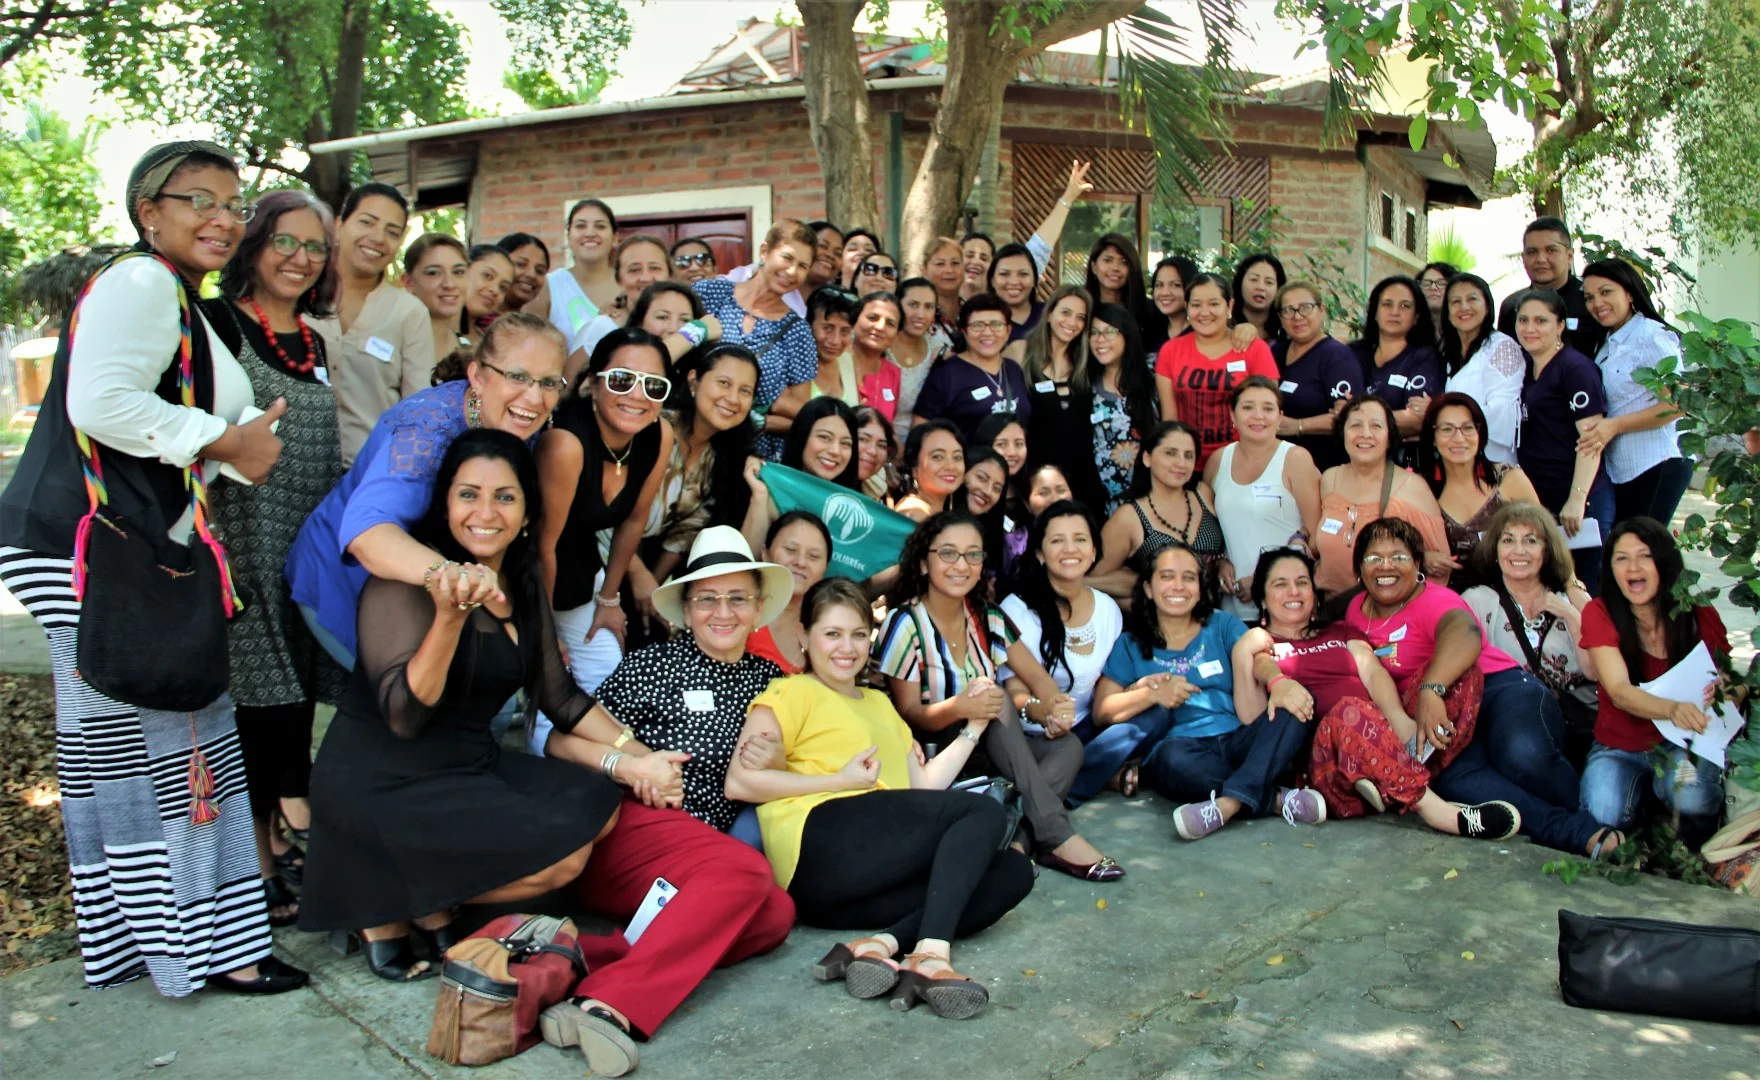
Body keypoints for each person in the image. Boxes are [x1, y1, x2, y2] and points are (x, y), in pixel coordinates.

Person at [0, 140, 305, 996]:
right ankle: (218, 952)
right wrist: (227, 440)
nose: (222, 218)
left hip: (96, 546)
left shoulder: (173, 296)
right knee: (183, 741)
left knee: (113, 757)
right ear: (149, 211)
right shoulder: (141, 281)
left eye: (233, 204)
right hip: (98, 550)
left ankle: (136, 946)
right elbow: (100, 403)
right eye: (198, 199)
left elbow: (151, 421)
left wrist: (234, 446)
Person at [299, 430, 624, 982]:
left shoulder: (522, 581)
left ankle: (420, 897)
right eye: (468, 494)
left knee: (598, 801)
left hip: (468, 766)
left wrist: (637, 753)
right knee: (560, 859)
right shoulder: (405, 581)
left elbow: (560, 696)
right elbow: (404, 716)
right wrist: (449, 618)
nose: (486, 513)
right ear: (445, 504)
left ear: (527, 513)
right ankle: (384, 901)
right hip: (383, 780)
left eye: (505, 497)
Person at [537, 524, 798, 1072]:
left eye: (737, 598)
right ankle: (610, 1004)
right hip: (635, 830)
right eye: (707, 598)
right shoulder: (652, 666)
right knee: (749, 874)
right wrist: (632, 764)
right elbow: (560, 741)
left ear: (757, 608)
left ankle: (571, 961)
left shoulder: (773, 680)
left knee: (776, 916)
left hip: (707, 859)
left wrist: (780, 763)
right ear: (686, 607)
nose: (722, 612)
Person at [726, 577, 1035, 1019]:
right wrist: (839, 781)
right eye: (832, 634)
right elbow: (739, 783)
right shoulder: (788, 692)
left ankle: (879, 944)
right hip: (818, 847)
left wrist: (974, 727)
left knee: (1012, 872)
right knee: (981, 810)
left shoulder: (879, 703)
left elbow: (923, 788)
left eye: (857, 634)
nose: (846, 647)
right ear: (803, 636)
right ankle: (931, 954)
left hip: (858, 883)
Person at [205, 189, 345, 924]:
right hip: (243, 542)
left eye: (315, 246)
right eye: (285, 241)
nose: (300, 257)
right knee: (263, 706)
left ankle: (277, 843)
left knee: (293, 703)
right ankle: (259, 862)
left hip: (304, 548)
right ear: (254, 243)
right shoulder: (217, 324)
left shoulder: (315, 341)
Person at [286, 313, 568, 669]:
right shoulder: (425, 431)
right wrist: (460, 580)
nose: (534, 397)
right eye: (517, 376)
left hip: (428, 592)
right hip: (342, 581)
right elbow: (366, 534)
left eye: (548, 382)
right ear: (478, 377)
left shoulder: (523, 426)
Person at [1340, 519, 1617, 856]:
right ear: (1359, 569)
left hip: (1499, 690)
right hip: (1447, 719)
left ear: (1418, 564)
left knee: (1519, 754)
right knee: (1458, 783)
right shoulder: (1356, 611)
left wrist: (1432, 689)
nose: (1386, 566)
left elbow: (1465, 634)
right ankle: (1577, 831)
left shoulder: (1435, 599)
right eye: (1374, 558)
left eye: (1399, 557)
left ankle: (1589, 815)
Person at [879, 510, 1124, 881]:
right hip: (936, 754)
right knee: (994, 698)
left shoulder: (987, 617)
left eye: (973, 555)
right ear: (924, 563)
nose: (961, 565)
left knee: (1067, 746)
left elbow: (1040, 681)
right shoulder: (904, 623)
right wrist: (959, 708)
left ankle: (1019, 841)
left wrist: (1055, 708)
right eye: (948, 553)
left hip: (990, 751)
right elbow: (909, 713)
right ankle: (1056, 835)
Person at [1240, 548, 1523, 838]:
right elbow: (1256, 700)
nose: (1294, 592)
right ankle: (1442, 813)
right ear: (1262, 597)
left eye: (1302, 582)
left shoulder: (1340, 631)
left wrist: (1398, 719)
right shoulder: (1263, 644)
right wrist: (1275, 680)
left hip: (1384, 734)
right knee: (1349, 710)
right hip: (1329, 765)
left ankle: (1395, 776)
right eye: (1280, 584)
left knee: (1456, 674)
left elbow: (1372, 672)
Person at [1090, 542, 1326, 840]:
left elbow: (1259, 659)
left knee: (1300, 701)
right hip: (1183, 749)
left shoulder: (1221, 624)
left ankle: (1228, 804)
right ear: (1148, 588)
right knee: (1171, 760)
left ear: (1201, 588)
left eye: (1189, 577)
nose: (1178, 586)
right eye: (1167, 577)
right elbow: (1102, 710)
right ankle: (1274, 799)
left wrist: (1278, 682)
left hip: (1239, 738)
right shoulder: (1130, 643)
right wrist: (1151, 695)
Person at [1578, 519, 1735, 847]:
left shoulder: (1697, 611)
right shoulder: (1600, 612)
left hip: (1686, 740)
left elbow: (1731, 680)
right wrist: (1672, 709)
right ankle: (1647, 822)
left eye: (1644, 556)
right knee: (1602, 814)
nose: (1633, 567)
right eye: (1621, 558)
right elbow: (1619, 692)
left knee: (1693, 799)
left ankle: (1694, 847)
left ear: (1664, 562)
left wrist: (1731, 690)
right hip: (1619, 744)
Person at [537, 328, 674, 692]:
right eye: (622, 380)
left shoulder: (659, 435)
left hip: (582, 574)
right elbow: (542, 547)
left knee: (610, 680)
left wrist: (609, 598)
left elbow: (634, 518)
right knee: (547, 687)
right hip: (528, 580)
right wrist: (544, 633)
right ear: (594, 385)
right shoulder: (565, 444)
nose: (637, 395)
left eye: (654, 385)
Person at [619, 343, 760, 646]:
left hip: (644, 572)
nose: (733, 398)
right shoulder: (652, 427)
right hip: (597, 557)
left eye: (745, 391)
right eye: (724, 383)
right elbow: (608, 508)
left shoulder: (724, 459)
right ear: (694, 381)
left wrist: (653, 590)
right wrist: (637, 575)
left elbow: (684, 535)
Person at [1000, 501, 1126, 804]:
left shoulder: (1108, 609)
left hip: (1088, 728)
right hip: (1035, 734)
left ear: (1094, 551)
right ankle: (1083, 781)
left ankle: (1068, 780)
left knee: (1149, 719)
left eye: (1080, 539)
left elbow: (1110, 686)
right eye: (1057, 540)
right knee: (1069, 749)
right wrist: (1045, 713)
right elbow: (1013, 692)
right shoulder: (1015, 610)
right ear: (1040, 553)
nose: (1070, 549)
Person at [1459, 502, 1598, 767]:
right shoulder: (1477, 601)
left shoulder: (1573, 599)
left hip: (1580, 727)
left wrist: (1570, 614)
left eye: (1530, 541)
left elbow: (1594, 671)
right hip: (1514, 725)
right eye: (1508, 540)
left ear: (1547, 551)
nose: (1518, 550)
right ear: (1495, 550)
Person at [315, 182, 436, 465]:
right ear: (339, 225)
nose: (378, 238)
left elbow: (419, 411)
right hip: (290, 470)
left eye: (392, 232)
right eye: (367, 222)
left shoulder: (408, 312)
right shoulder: (300, 293)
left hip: (370, 473)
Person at [1577, 258, 1691, 527]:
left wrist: (1614, 426)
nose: (1597, 303)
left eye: (1606, 292)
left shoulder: (1651, 335)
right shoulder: (1607, 343)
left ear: (1629, 293)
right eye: (1589, 297)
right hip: (1624, 468)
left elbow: (1677, 404)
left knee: (1642, 543)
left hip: (1657, 461)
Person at [1512, 288, 1611, 593]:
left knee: (1583, 592)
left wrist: (1577, 498)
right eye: (1523, 320)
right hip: (1544, 500)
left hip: (1578, 504)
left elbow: (1592, 439)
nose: (1530, 328)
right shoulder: (1525, 368)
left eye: (1541, 321)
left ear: (1560, 325)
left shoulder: (1575, 369)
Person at [691, 219, 819, 456]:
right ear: (764, 252)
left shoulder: (799, 333)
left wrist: (758, 421)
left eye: (802, 266)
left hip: (751, 455)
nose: (792, 271)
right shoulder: (709, 295)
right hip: (692, 437)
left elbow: (802, 415)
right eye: (787, 258)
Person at [1204, 376, 1321, 619]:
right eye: (1248, 407)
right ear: (1233, 415)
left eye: (1268, 408)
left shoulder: (1295, 458)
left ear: (1280, 417)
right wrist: (1219, 562)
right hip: (1233, 605)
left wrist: (1263, 578)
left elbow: (1315, 536)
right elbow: (1209, 530)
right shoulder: (1218, 460)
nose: (1258, 416)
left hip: (1286, 605)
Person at [1312, 396, 1449, 597]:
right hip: (1329, 608)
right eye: (1356, 425)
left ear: (1389, 436)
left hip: (1384, 610)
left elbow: (1439, 571)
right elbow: (1316, 546)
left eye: (1376, 426)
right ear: (1342, 432)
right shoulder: (1329, 479)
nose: (1365, 434)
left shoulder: (1412, 488)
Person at [1417, 393, 1542, 591]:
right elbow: (1399, 547)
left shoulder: (1508, 479)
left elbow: (1546, 539)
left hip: (1515, 594)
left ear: (1479, 433)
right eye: (1447, 429)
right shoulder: (1420, 489)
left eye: (1468, 428)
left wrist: (1572, 584)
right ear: (1433, 438)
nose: (1458, 438)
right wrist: (1422, 557)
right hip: (1449, 601)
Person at [1154, 273, 1278, 471]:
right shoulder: (1170, 351)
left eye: (1214, 304)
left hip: (1242, 462)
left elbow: (1268, 412)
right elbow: (1170, 419)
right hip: (1188, 464)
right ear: (1187, 307)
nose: (1204, 312)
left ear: (1229, 306)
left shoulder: (1255, 349)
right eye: (1196, 305)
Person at [1092, 421, 1227, 599]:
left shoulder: (1204, 494)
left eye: (1188, 456)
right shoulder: (1128, 517)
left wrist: (1223, 562)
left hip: (1218, 612)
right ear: (1147, 458)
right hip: (1159, 615)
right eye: (1170, 453)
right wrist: (1141, 598)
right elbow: (1094, 582)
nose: (1181, 463)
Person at [1022, 285, 1106, 514]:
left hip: (1083, 476)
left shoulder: (1087, 363)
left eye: (1080, 317)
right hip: (1040, 479)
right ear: (1049, 314)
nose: (1072, 322)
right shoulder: (1022, 353)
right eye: (1066, 313)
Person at [742, 395, 860, 550]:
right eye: (824, 437)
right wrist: (760, 496)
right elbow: (748, 558)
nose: (835, 451)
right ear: (802, 437)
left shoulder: (859, 511)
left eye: (845, 443)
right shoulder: (771, 492)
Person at [913, 293, 1032, 439]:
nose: (987, 333)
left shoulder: (1014, 370)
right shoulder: (946, 375)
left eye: (996, 325)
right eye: (977, 325)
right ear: (964, 331)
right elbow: (919, 432)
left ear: (1008, 331)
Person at [1272, 280, 1362, 471]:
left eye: (1305, 307)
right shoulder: (1276, 353)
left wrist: (1299, 425)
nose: (1297, 316)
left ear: (1321, 310)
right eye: (1288, 310)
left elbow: (1349, 416)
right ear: (1280, 317)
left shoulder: (1337, 356)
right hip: (1278, 463)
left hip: (1323, 465)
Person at [1438, 273, 1523, 464]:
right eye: (1456, 301)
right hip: (1455, 458)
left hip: (1492, 460)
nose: (1464, 307)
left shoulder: (1502, 347)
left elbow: (1501, 410)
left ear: (1487, 306)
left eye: (1472, 299)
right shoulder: (1448, 351)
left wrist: (1439, 414)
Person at [1494, 216, 1605, 357]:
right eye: (1532, 252)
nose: (1541, 259)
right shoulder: (1512, 306)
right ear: (1523, 257)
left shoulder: (1591, 300)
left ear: (1569, 256)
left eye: (1551, 250)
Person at [1352, 275, 1442, 448]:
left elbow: (1416, 419)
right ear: (1375, 312)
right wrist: (1389, 418)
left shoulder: (1425, 358)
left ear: (1416, 317)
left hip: (1400, 457)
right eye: (1387, 304)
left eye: (1405, 306)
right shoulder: (1352, 353)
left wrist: (1354, 419)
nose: (1394, 312)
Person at [1087, 304, 1160, 514]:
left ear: (1126, 334)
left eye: (1109, 331)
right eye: (1094, 332)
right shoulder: (1086, 383)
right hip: (1105, 502)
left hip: (1152, 495)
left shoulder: (1153, 370)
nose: (1100, 339)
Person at [747, 511, 833, 674]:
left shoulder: (829, 630)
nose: (801, 562)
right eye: (791, 550)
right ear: (765, 553)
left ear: (825, 569)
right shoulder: (739, 615)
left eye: (814, 556)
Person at [536, 197, 622, 354]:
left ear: (615, 238)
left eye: (600, 226)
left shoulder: (628, 285)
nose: (590, 233)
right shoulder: (549, 286)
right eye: (580, 226)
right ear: (569, 236)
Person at [820, 292, 903, 422]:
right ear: (854, 321)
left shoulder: (893, 373)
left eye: (890, 323)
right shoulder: (834, 360)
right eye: (873, 318)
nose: (880, 327)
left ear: (897, 335)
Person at [890, 277, 955, 440]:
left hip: (924, 442)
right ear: (898, 305)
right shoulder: (882, 344)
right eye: (913, 305)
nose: (920, 314)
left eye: (928, 307)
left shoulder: (940, 346)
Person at [401, 233, 470, 370]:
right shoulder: (394, 345)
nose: (449, 284)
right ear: (408, 282)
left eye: (458, 272)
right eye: (433, 273)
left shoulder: (467, 348)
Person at [1083, 233, 1153, 343]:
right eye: (1108, 260)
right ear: (1094, 267)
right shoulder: (1082, 307)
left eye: (1124, 262)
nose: (1115, 268)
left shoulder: (1149, 310)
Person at [893, 420, 966, 522]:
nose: (951, 466)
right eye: (937, 457)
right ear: (914, 468)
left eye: (957, 457)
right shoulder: (913, 514)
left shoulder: (934, 511)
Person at [458, 243, 515, 352]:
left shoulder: (490, 342)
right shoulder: (431, 327)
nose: (495, 290)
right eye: (488, 276)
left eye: (503, 287)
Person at [987, 245, 1044, 345]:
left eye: (1023, 274)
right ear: (992, 281)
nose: (1014, 282)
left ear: (1034, 280)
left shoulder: (1049, 314)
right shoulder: (980, 319)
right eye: (1004, 274)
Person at [1144, 255, 1198, 355]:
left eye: (1175, 285)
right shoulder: (1150, 332)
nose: (1165, 293)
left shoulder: (1202, 332)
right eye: (1159, 285)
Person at [1230, 253, 1286, 343]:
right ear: (1240, 283)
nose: (1260, 287)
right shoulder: (1225, 326)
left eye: (1269, 282)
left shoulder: (1286, 329)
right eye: (1254, 279)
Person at [497, 231, 550, 312]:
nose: (532, 274)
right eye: (521, 264)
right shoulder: (477, 318)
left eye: (539, 270)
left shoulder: (531, 320)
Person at [854, 403, 898, 501]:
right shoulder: (820, 490)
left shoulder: (873, 498)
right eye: (863, 439)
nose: (873, 451)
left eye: (881, 445)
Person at [923, 236, 966, 322]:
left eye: (955, 263)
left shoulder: (973, 312)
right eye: (940, 264)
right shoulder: (918, 314)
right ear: (924, 271)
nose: (949, 270)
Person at [1417, 261, 1457, 337]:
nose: (1433, 287)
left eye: (1442, 283)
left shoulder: (1463, 330)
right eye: (1426, 283)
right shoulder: (1409, 331)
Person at [806, 220, 843, 291]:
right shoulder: (783, 293)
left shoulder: (841, 298)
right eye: (822, 246)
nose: (830, 255)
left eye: (838, 253)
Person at [960, 233, 995, 303]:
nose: (976, 262)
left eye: (983, 258)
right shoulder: (939, 302)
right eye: (969, 255)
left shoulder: (1000, 307)